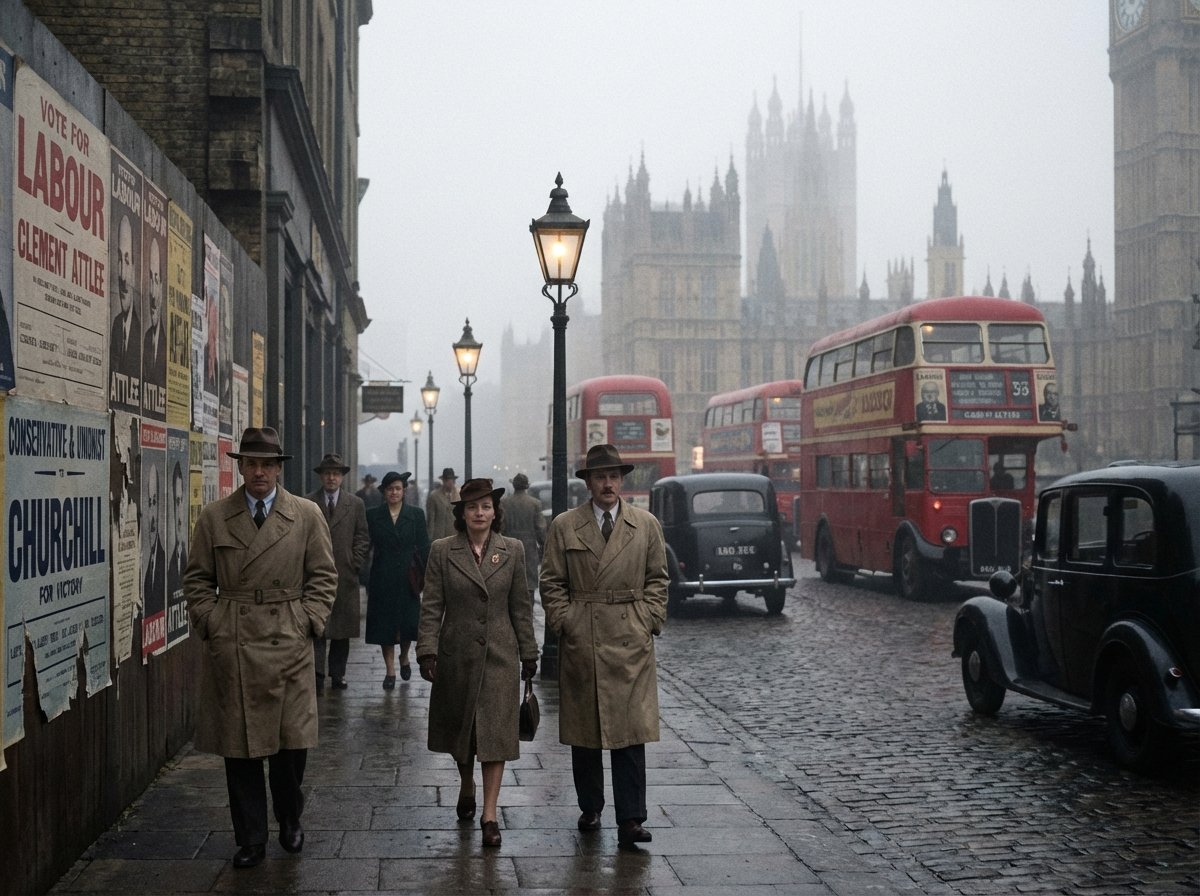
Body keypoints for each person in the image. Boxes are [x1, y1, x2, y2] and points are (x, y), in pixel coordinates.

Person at [183, 426, 337, 869]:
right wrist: (213, 622)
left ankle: (289, 817)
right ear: (241, 468)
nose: (259, 473)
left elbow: (324, 576)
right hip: (235, 640)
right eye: (251, 464)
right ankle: (250, 838)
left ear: (278, 469)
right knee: (240, 749)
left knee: (291, 747)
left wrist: (307, 620)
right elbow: (197, 580)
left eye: (267, 465)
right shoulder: (215, 517)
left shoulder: (305, 514)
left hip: (288, 637)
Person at [539, 444, 668, 849]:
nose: (608, 484)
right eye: (600, 477)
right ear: (588, 483)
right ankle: (590, 807)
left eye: (614, 476)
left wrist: (648, 619)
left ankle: (631, 818)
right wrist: (567, 622)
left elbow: (658, 579)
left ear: (622, 480)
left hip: (631, 638)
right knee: (586, 730)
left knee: (630, 732)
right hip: (584, 636)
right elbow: (551, 582)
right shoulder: (565, 525)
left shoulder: (645, 524)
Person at [416, 478, 539, 848]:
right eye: (472, 507)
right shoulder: (443, 551)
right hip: (457, 655)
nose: (480, 513)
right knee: (463, 731)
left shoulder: (512, 550)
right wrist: (427, 650)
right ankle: (466, 782)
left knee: (495, 734)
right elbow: (432, 604)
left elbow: (521, 606)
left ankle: (490, 814)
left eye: (486, 507)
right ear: (462, 513)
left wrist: (529, 652)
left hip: (500, 656)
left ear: (495, 512)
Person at [306, 453, 370, 691]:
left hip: (345, 574)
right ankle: (317, 674)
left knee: (342, 629)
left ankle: (338, 674)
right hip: (315, 573)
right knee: (317, 625)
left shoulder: (355, 504)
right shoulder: (309, 502)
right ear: (321, 477)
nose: (331, 478)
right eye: (327, 474)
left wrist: (355, 561)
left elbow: (362, 536)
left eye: (335, 474)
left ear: (342, 477)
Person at [365, 471, 430, 688]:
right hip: (382, 576)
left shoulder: (416, 515)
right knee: (385, 624)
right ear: (384, 492)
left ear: (404, 491)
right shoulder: (373, 515)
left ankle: (404, 656)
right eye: (390, 489)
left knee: (408, 623)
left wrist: (429, 574)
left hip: (408, 577)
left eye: (398, 489)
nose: (394, 492)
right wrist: (362, 572)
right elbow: (366, 545)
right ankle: (390, 670)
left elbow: (424, 545)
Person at [109, 212, 141, 406]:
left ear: (135, 270)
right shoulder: (116, 325)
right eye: (119, 259)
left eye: (127, 261)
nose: (121, 275)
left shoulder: (142, 336)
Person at [500, 472, 545, 595]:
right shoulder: (535, 504)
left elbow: (500, 527)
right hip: (529, 548)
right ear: (526, 486)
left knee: (510, 580)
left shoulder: (504, 503)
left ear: (514, 485)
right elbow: (540, 528)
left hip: (508, 546)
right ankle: (528, 605)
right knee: (529, 583)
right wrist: (543, 545)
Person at [141, 237, 167, 392]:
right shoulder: (146, 338)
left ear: (162, 288)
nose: (152, 293)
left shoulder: (167, 344)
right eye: (150, 279)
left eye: (156, 281)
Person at [142, 462, 166, 619]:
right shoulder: (146, 568)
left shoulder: (163, 560)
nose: (151, 515)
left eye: (155, 502)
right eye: (149, 502)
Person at [167, 461, 188, 598]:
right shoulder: (168, 564)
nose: (179, 509)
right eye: (176, 501)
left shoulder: (190, 556)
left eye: (180, 501)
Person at [426, 467, 459, 540]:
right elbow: (431, 519)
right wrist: (430, 538)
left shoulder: (459, 495)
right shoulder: (434, 496)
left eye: (452, 480)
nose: (450, 482)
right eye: (447, 480)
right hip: (439, 536)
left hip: (455, 535)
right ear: (443, 481)